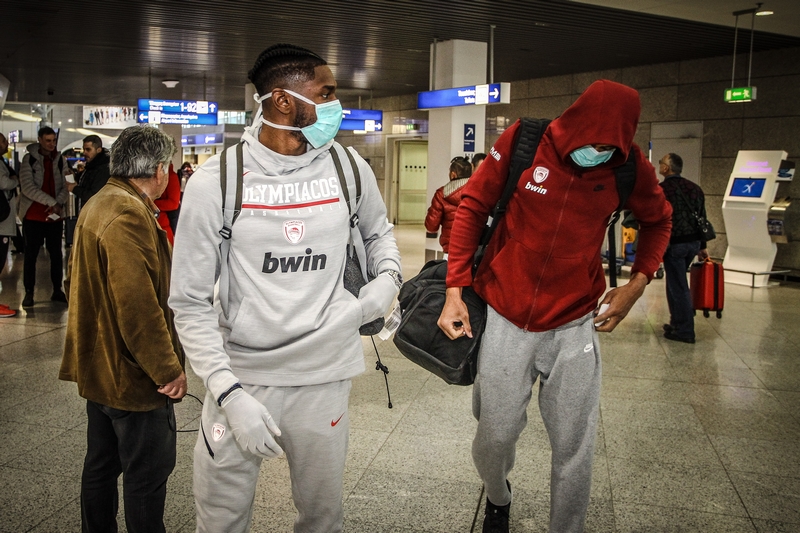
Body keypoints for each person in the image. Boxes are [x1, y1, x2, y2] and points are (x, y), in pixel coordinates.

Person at [169, 43, 401, 533]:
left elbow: (379, 233)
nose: (337, 105)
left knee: (322, 518)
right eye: (327, 93)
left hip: (325, 378)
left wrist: (387, 281)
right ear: (282, 100)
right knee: (220, 519)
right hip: (243, 379)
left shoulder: (348, 168)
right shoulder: (218, 181)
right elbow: (188, 302)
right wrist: (228, 394)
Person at [438, 79, 672, 533]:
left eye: (609, 147)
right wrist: (454, 290)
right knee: (494, 435)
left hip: (574, 321)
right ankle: (498, 494)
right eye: (593, 142)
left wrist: (637, 284)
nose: (598, 152)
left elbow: (659, 221)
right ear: (575, 124)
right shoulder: (525, 141)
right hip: (507, 312)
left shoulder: (629, 167)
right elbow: (472, 206)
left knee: (574, 444)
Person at [59, 126, 187, 533]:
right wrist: (167, 370)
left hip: (101, 367)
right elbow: (138, 306)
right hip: (131, 376)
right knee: (146, 475)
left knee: (100, 466)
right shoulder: (127, 213)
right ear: (159, 168)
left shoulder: (101, 201)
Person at [658, 152, 709, 344]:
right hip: (693, 243)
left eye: (661, 162)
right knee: (674, 282)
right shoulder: (694, 188)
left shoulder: (662, 190)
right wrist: (702, 246)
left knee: (679, 286)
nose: (660, 165)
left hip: (675, 244)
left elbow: (659, 218)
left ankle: (685, 330)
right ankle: (677, 323)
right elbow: (702, 218)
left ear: (666, 168)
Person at [18, 126, 71, 307]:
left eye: (54, 140)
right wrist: (51, 202)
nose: (51, 144)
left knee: (56, 254)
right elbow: (27, 187)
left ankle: (57, 289)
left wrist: (58, 204)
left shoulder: (60, 160)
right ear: (40, 140)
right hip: (33, 215)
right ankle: (29, 291)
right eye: (48, 140)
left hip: (55, 216)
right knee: (30, 255)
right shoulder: (29, 159)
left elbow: (66, 186)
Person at [424, 156, 472, 254]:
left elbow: (431, 226)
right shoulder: (477, 191)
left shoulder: (441, 194)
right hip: (474, 244)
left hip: (451, 246)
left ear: (453, 174)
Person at [0, 133, 19, 318]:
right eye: (3, 140)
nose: (6, 143)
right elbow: (4, 182)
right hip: (1, 221)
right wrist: (15, 181)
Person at [67, 134, 111, 208]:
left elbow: (94, 195)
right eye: (84, 149)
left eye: (88, 149)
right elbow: (86, 183)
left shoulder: (103, 169)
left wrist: (74, 189)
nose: (84, 153)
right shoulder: (91, 165)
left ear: (98, 150)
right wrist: (75, 176)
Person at [154, 163, 181, 245]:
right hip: (156, 223)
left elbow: (173, 203)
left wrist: (151, 203)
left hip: (163, 224)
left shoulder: (171, 176)